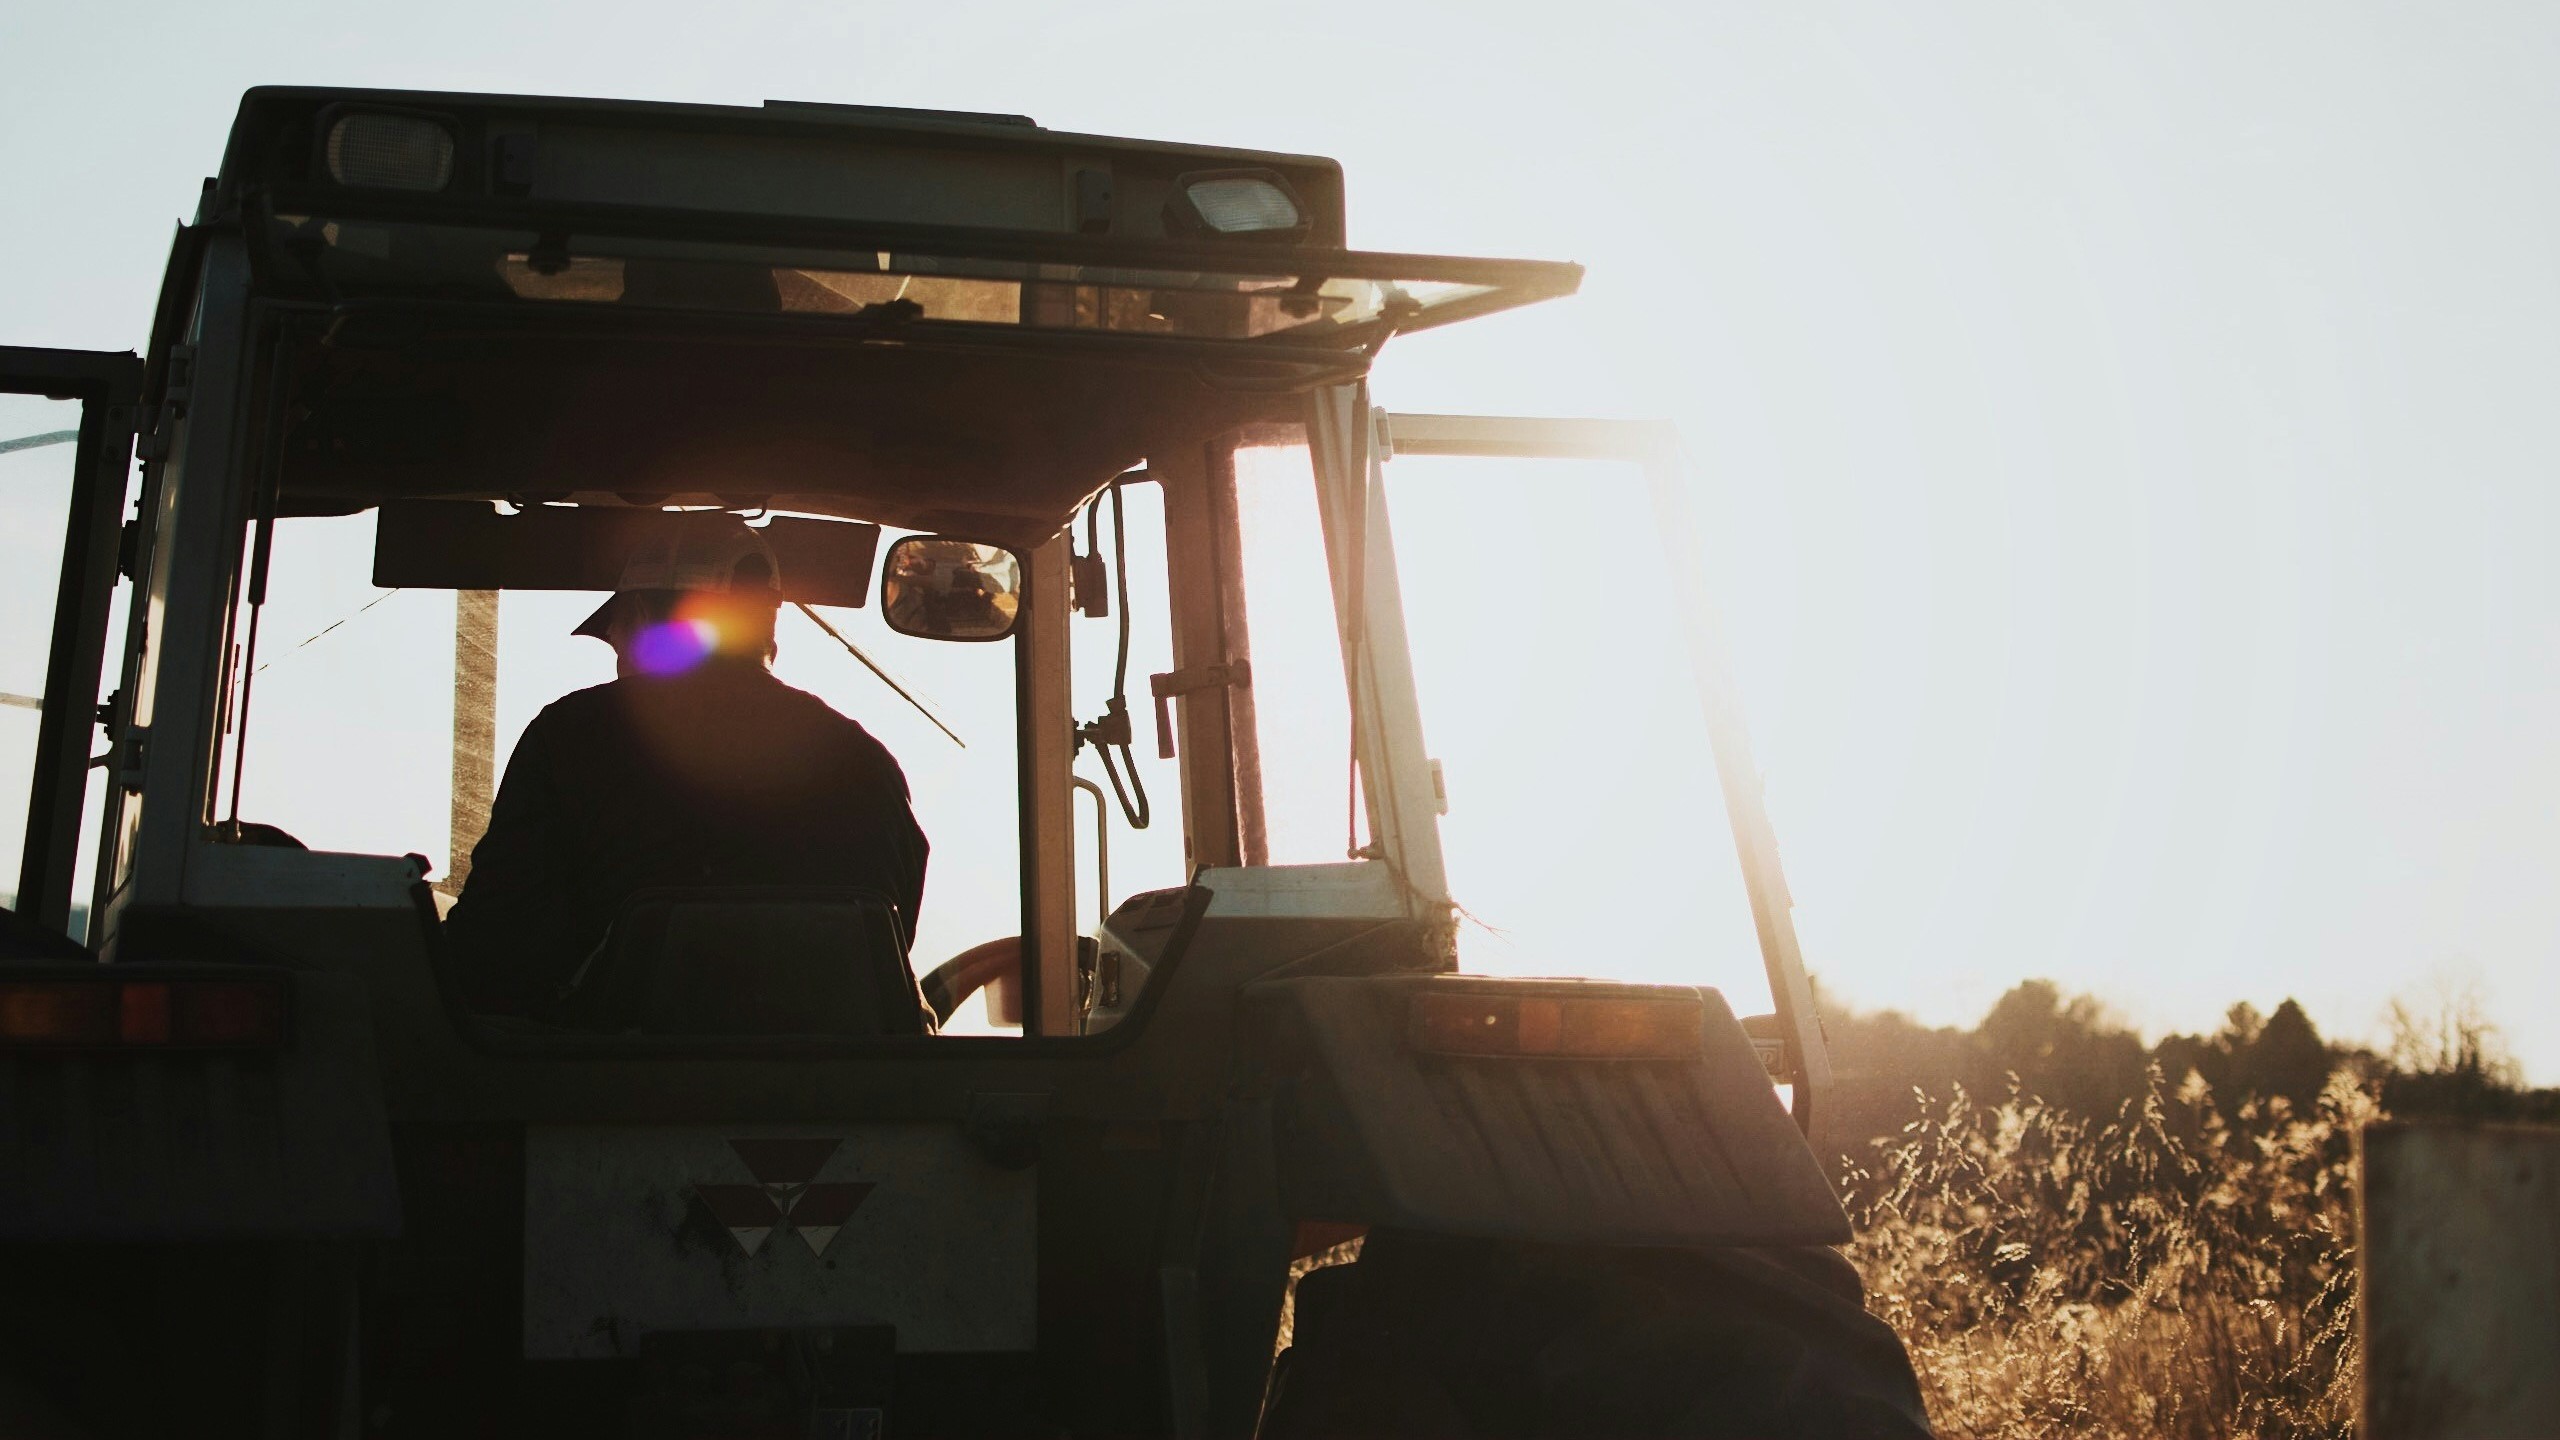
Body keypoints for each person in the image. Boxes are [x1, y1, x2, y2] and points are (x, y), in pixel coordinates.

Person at [442, 516, 928, 1021]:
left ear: (640, 615)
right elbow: (889, 947)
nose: (613, 642)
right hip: (840, 1089)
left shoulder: (568, 738)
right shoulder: (865, 760)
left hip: (609, 1086)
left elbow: (494, 950)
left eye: (616, 629)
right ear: (769, 624)